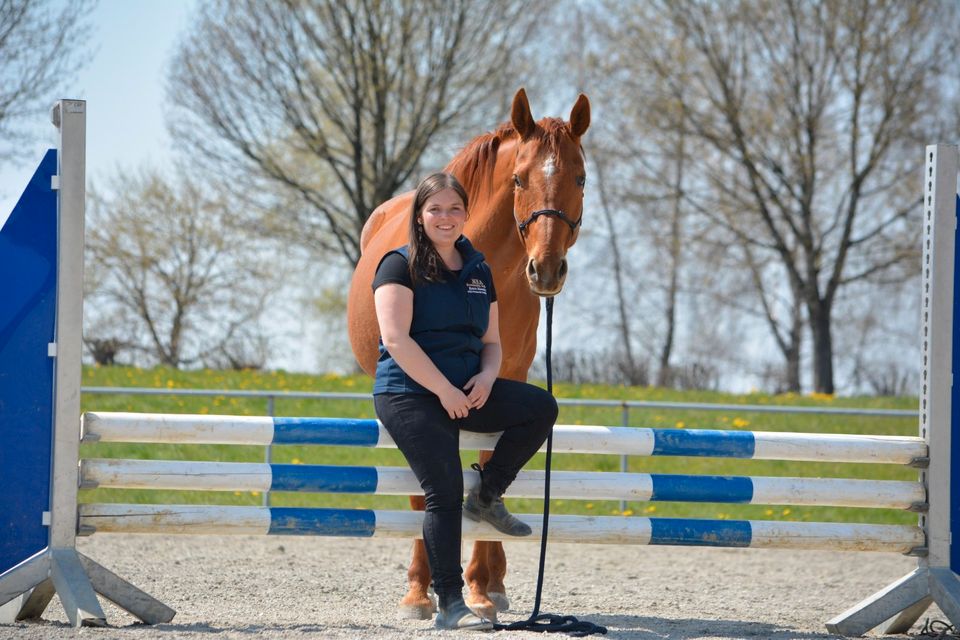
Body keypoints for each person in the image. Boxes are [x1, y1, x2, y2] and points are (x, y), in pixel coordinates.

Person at [372, 172, 558, 631]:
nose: (446, 217)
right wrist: (444, 390)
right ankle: (450, 601)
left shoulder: (478, 270)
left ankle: (489, 492)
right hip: (410, 392)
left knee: (541, 408)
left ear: (466, 214)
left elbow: (492, 342)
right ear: (420, 214)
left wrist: (487, 377)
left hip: (465, 389)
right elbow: (396, 340)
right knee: (443, 489)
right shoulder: (397, 265)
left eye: (455, 209)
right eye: (435, 209)